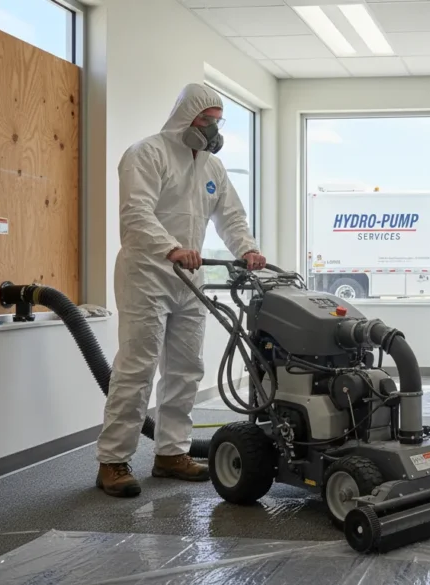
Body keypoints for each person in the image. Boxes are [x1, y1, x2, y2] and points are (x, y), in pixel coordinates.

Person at [96, 83, 266, 497]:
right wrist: (170, 248)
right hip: (147, 273)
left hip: (191, 279)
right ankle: (113, 461)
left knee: (186, 368)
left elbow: (231, 217)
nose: (212, 129)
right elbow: (136, 213)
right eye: (206, 120)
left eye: (216, 122)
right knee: (137, 367)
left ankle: (171, 453)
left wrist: (247, 249)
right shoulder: (146, 153)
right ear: (186, 118)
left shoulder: (212, 167)